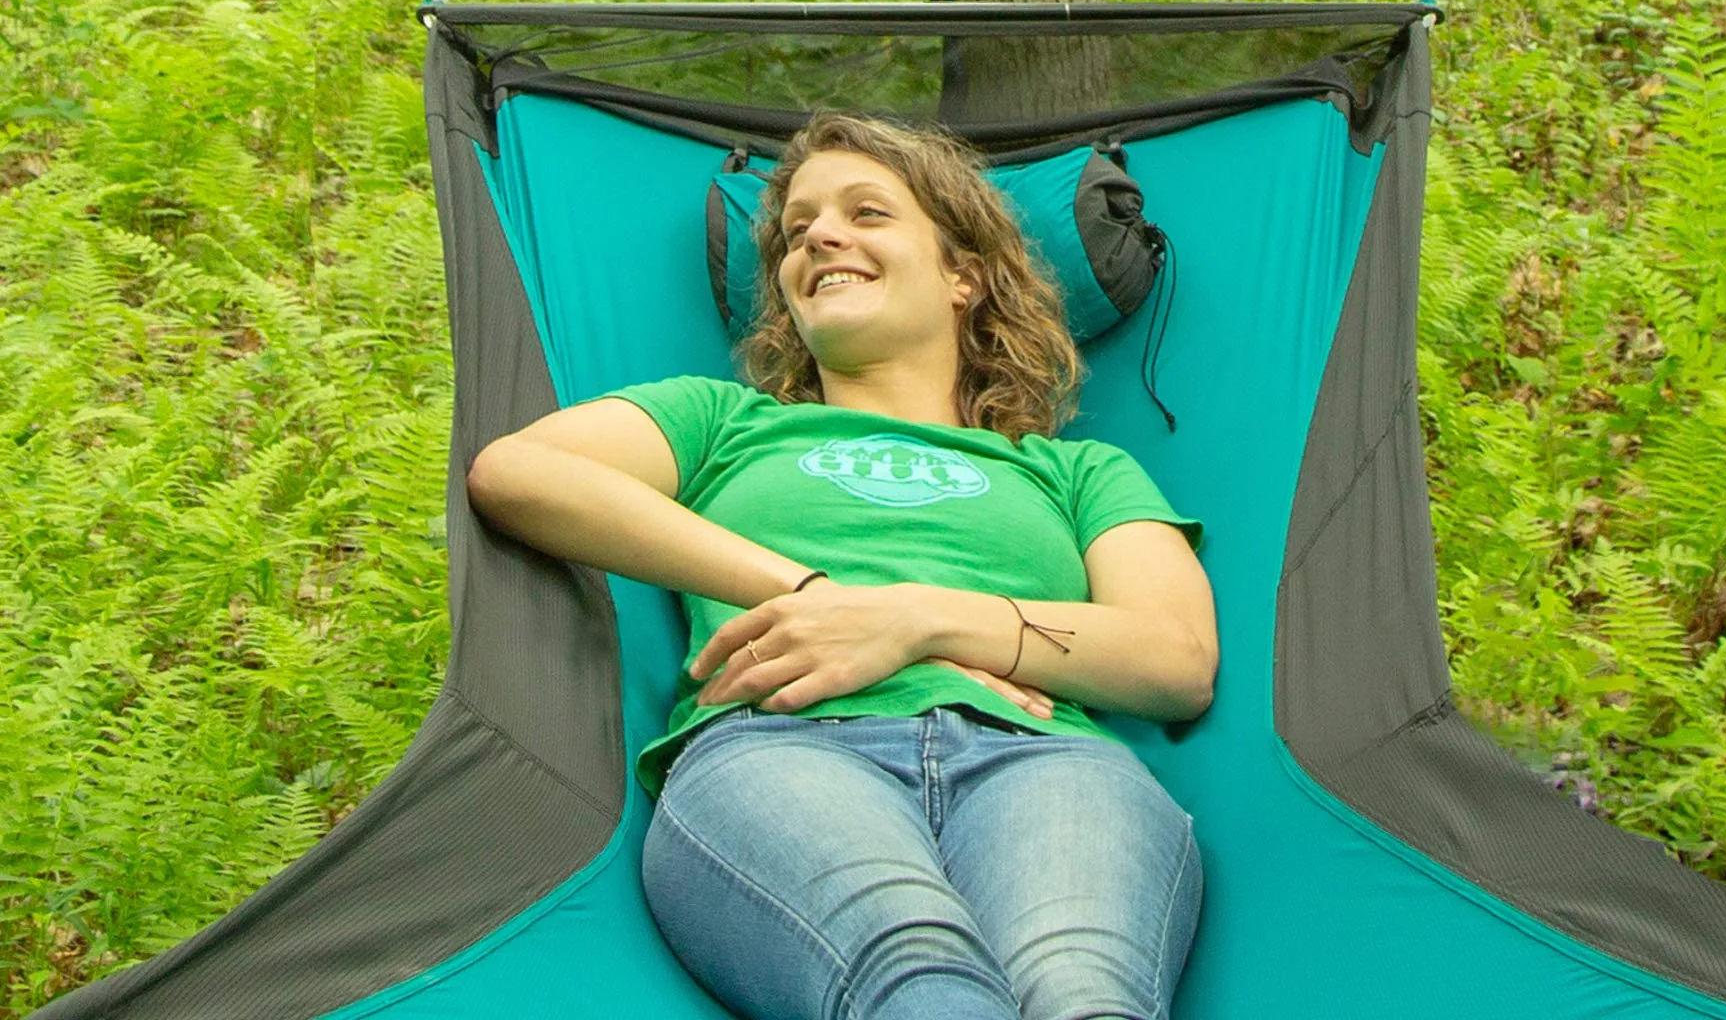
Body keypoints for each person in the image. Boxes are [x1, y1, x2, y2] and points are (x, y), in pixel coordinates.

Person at [467, 111, 1216, 1020]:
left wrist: (916, 622)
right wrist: (816, 598)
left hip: (1045, 761)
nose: (819, 235)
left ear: (962, 276)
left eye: (868, 213)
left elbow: (1175, 657)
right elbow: (519, 473)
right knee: (917, 983)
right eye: (796, 231)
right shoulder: (724, 423)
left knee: (1081, 993)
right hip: (781, 746)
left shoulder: (1071, 469)